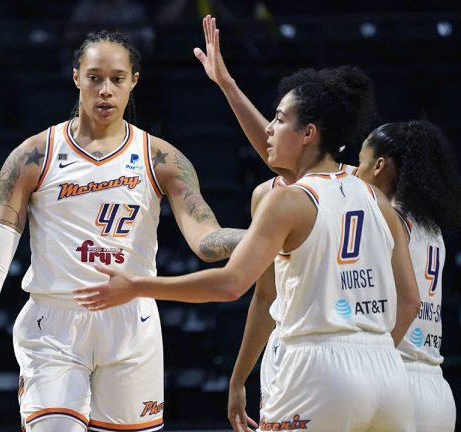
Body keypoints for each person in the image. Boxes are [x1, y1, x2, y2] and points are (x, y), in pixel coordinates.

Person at [73, 64, 422, 430]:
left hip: (319, 367)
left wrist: (138, 286)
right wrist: (228, 86)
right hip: (388, 373)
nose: (269, 128)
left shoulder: (287, 201)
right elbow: (409, 297)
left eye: (279, 119)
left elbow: (230, 284)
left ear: (308, 133)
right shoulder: (375, 197)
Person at [0, 31, 244, 432]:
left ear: (134, 81)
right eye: (94, 77)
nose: (106, 90)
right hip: (54, 322)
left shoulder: (163, 159)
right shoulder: (33, 156)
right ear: (75, 78)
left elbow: (206, 241)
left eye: (117, 79)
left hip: (131, 323)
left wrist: (262, 236)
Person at [194, 16, 461, 431]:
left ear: (379, 166)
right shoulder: (417, 221)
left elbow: (293, 171)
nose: (351, 168)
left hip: (357, 366)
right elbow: (286, 160)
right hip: (415, 381)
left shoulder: (361, 200)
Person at [355, 121, 461, 431]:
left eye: (360, 162)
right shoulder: (432, 228)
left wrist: (374, 365)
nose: (354, 173)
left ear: (378, 166)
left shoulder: (386, 219)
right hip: (436, 388)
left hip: (398, 379)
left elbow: (410, 303)